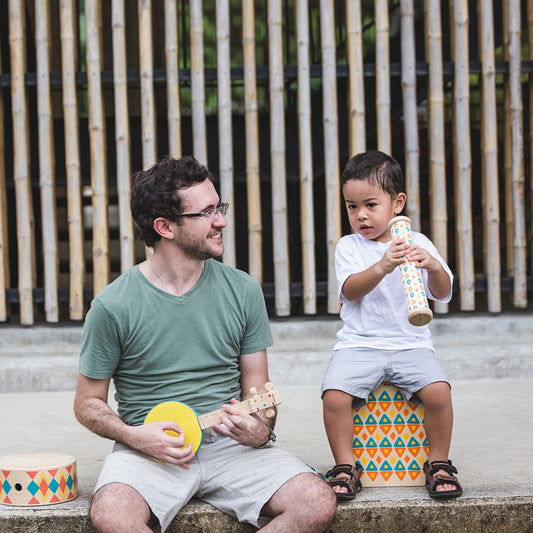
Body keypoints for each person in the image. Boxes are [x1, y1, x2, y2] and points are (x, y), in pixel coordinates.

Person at [74, 156, 336, 532]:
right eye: (207, 213)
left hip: (230, 446)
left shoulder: (243, 291)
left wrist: (261, 429)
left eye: (219, 208)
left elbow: (259, 391)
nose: (221, 222)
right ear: (165, 227)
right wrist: (135, 436)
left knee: (316, 501)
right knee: (111, 514)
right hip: (149, 450)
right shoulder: (113, 305)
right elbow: (87, 403)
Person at [321, 151, 463, 501]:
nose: (361, 215)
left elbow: (442, 292)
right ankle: (345, 465)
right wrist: (382, 266)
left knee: (439, 392)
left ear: (397, 203)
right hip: (359, 344)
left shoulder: (418, 241)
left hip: (411, 344)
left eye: (371, 205)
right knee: (334, 396)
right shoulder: (349, 246)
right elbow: (349, 291)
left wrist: (432, 266)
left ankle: (439, 462)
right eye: (352, 207)